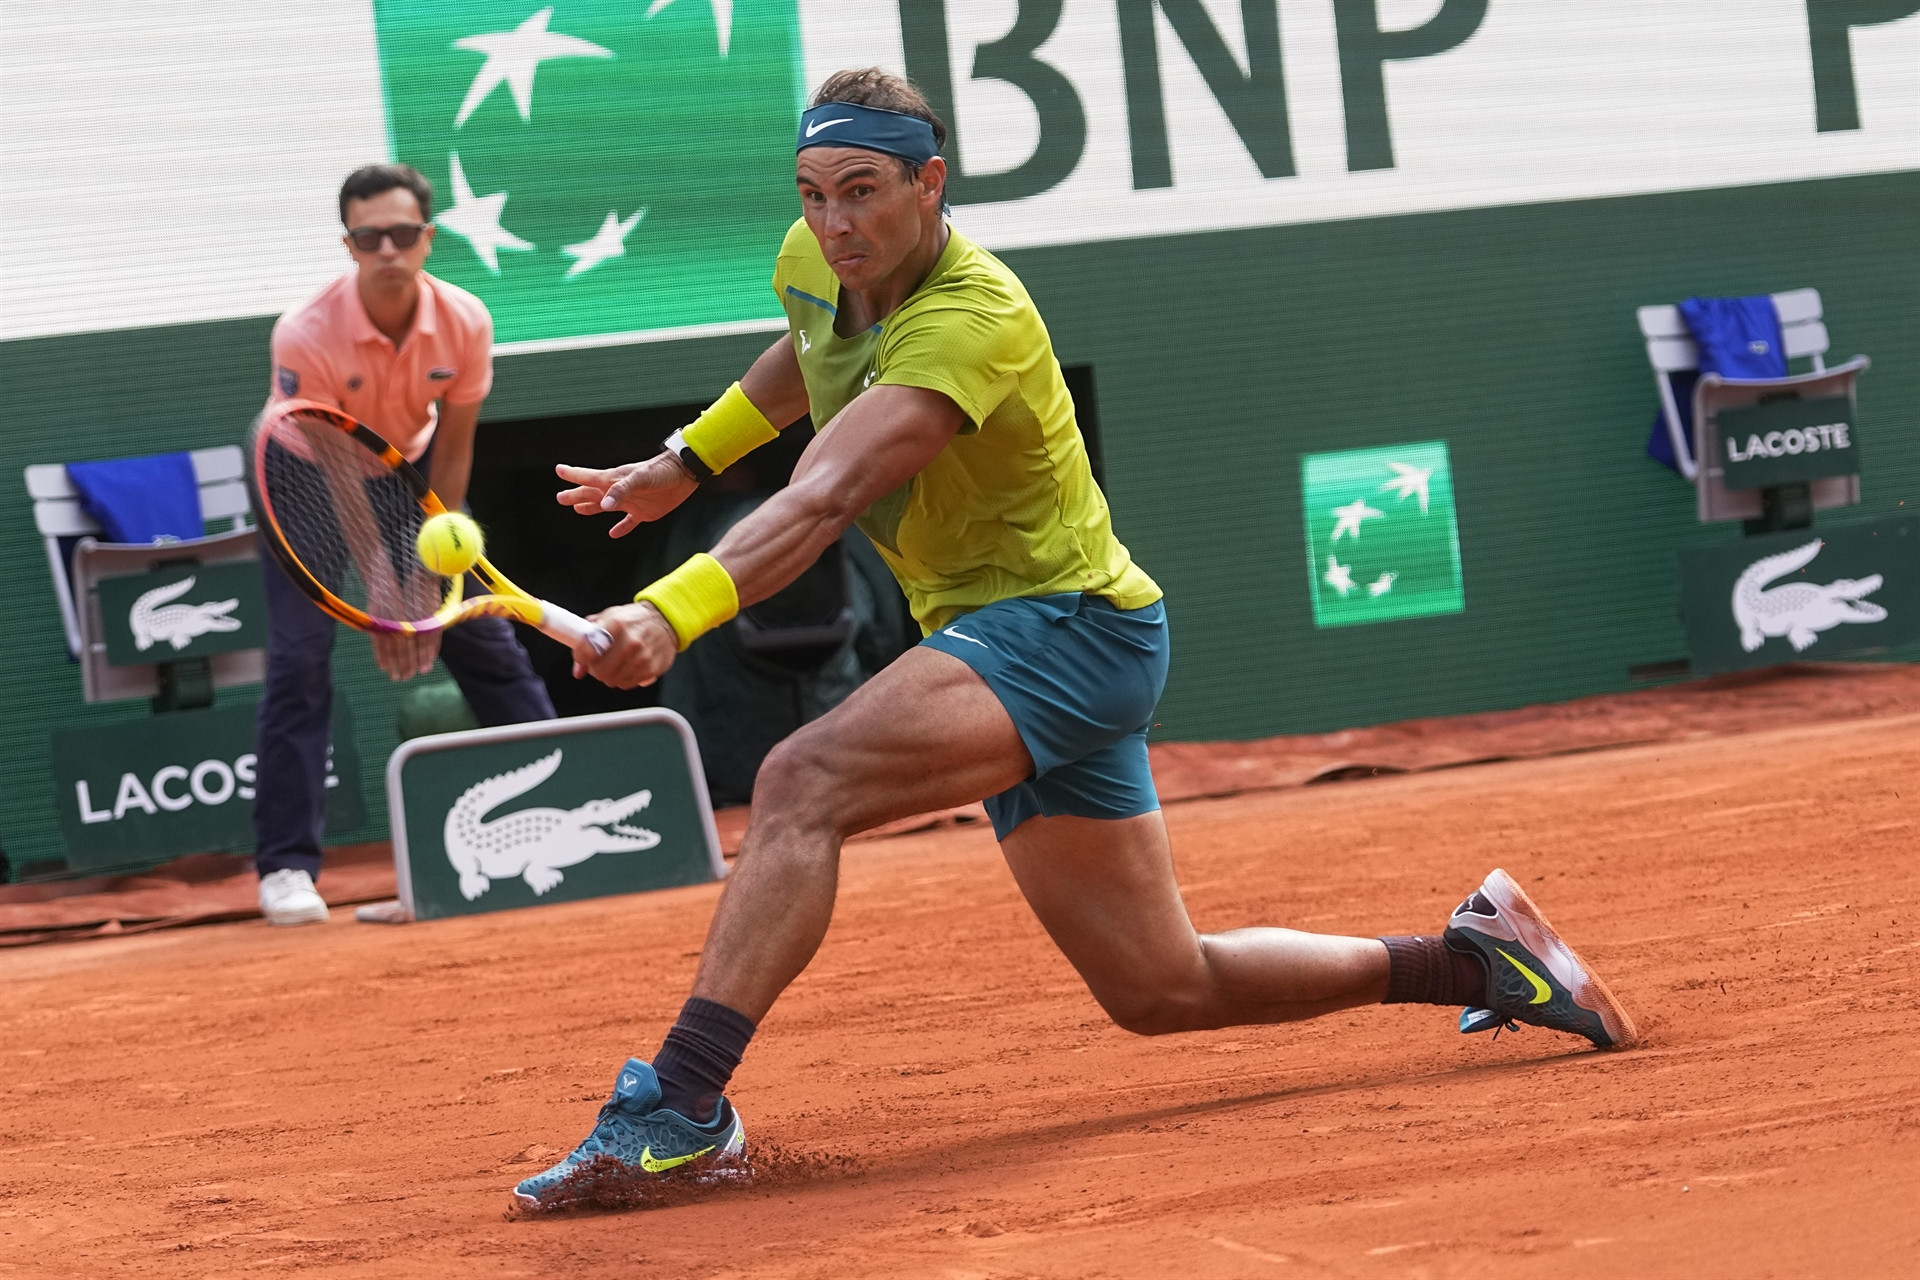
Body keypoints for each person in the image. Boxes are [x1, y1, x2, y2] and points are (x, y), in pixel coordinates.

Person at [513, 70, 1635, 1207]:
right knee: (1161, 985)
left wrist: (669, 610)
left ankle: (685, 1103)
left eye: (861, 191)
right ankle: (1473, 955)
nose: (834, 223)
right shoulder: (820, 263)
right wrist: (684, 461)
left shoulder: (974, 315)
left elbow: (824, 496)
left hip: (1070, 629)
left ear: (928, 182)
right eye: (811, 194)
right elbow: (800, 357)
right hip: (1005, 639)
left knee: (803, 777)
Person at [254, 164, 555, 926]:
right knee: (298, 660)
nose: (387, 249)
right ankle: (287, 868)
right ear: (349, 245)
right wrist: (385, 584)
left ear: (427, 239)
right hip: (304, 474)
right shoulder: (305, 331)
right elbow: (335, 467)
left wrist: (431, 573)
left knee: (486, 635)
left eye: (402, 234)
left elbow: (453, 450)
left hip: (413, 469)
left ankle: (566, 793)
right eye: (368, 237)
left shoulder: (465, 320)